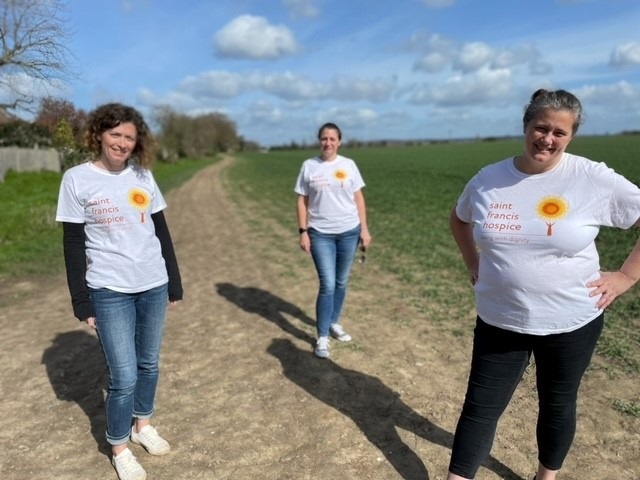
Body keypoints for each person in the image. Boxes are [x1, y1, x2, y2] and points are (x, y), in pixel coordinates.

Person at [447, 88, 640, 480]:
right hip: (501, 318)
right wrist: (473, 264)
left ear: (571, 136)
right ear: (526, 126)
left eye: (559, 133)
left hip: (572, 321)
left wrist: (626, 277)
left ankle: (545, 476)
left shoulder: (590, 178)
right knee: (480, 408)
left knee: (557, 403)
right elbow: (459, 218)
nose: (547, 139)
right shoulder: (489, 180)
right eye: (541, 128)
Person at [56, 103, 183, 480]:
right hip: (109, 289)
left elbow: (161, 230)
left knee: (149, 363)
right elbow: (73, 244)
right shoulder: (77, 179)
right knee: (123, 374)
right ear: (99, 135)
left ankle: (142, 425)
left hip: (153, 284)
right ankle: (119, 446)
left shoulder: (143, 176)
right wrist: (82, 299)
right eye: (115, 135)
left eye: (129, 137)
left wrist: (173, 282)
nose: (122, 143)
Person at [294, 122, 372, 358]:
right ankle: (322, 337)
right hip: (320, 233)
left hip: (349, 231)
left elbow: (358, 198)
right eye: (324, 139)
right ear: (319, 141)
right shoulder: (309, 166)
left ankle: (334, 322)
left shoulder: (348, 165)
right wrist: (303, 231)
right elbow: (302, 201)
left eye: (332, 139)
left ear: (339, 141)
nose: (328, 143)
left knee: (341, 282)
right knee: (327, 284)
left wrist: (364, 230)